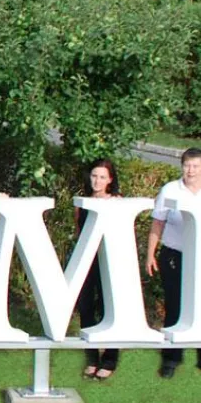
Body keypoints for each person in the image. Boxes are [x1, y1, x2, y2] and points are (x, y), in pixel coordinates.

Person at [145, 147, 201, 380]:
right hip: (175, 254)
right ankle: (171, 360)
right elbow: (158, 224)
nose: (191, 170)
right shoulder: (170, 190)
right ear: (182, 166)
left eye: (196, 166)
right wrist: (150, 254)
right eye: (187, 165)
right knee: (175, 305)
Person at [76, 159, 121, 380]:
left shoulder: (116, 202)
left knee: (108, 306)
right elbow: (79, 231)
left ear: (110, 179)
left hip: (109, 259)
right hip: (87, 260)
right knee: (86, 306)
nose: (97, 180)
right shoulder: (82, 201)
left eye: (102, 177)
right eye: (94, 176)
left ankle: (110, 359)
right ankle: (91, 357)